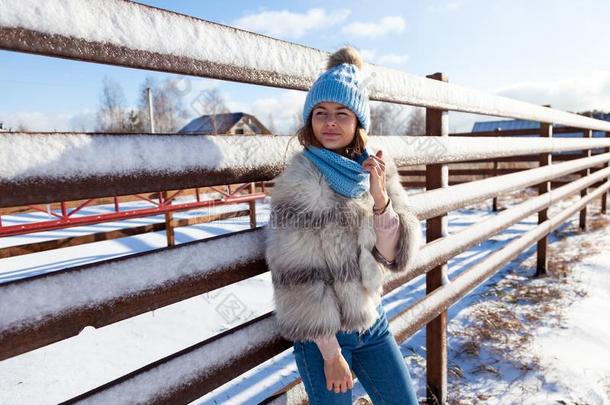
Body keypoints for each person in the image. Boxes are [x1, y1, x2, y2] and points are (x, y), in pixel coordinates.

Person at [265, 46, 422, 404]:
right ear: (310, 121)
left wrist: (380, 198)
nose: (330, 121)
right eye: (320, 113)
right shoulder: (299, 182)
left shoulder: (375, 171)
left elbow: (392, 255)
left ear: (358, 123)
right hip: (324, 336)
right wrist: (331, 354)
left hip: (373, 323)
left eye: (342, 113)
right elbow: (296, 276)